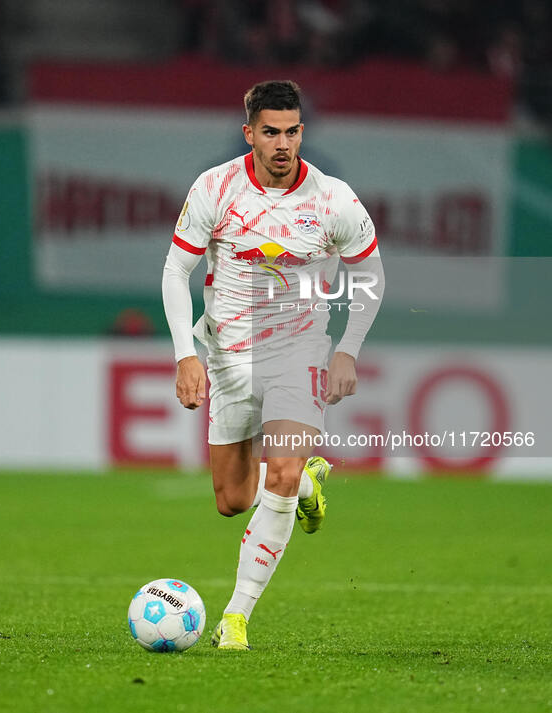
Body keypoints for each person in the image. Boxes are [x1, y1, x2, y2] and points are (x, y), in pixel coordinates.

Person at [162, 80, 384, 650]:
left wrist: (347, 349)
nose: (282, 143)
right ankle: (306, 483)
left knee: (278, 474)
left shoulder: (334, 200)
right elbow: (174, 272)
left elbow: (371, 275)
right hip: (229, 354)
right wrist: (186, 356)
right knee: (232, 501)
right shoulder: (216, 189)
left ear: (301, 131)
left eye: (291, 131)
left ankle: (235, 617)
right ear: (250, 134)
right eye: (270, 132)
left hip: (300, 352)